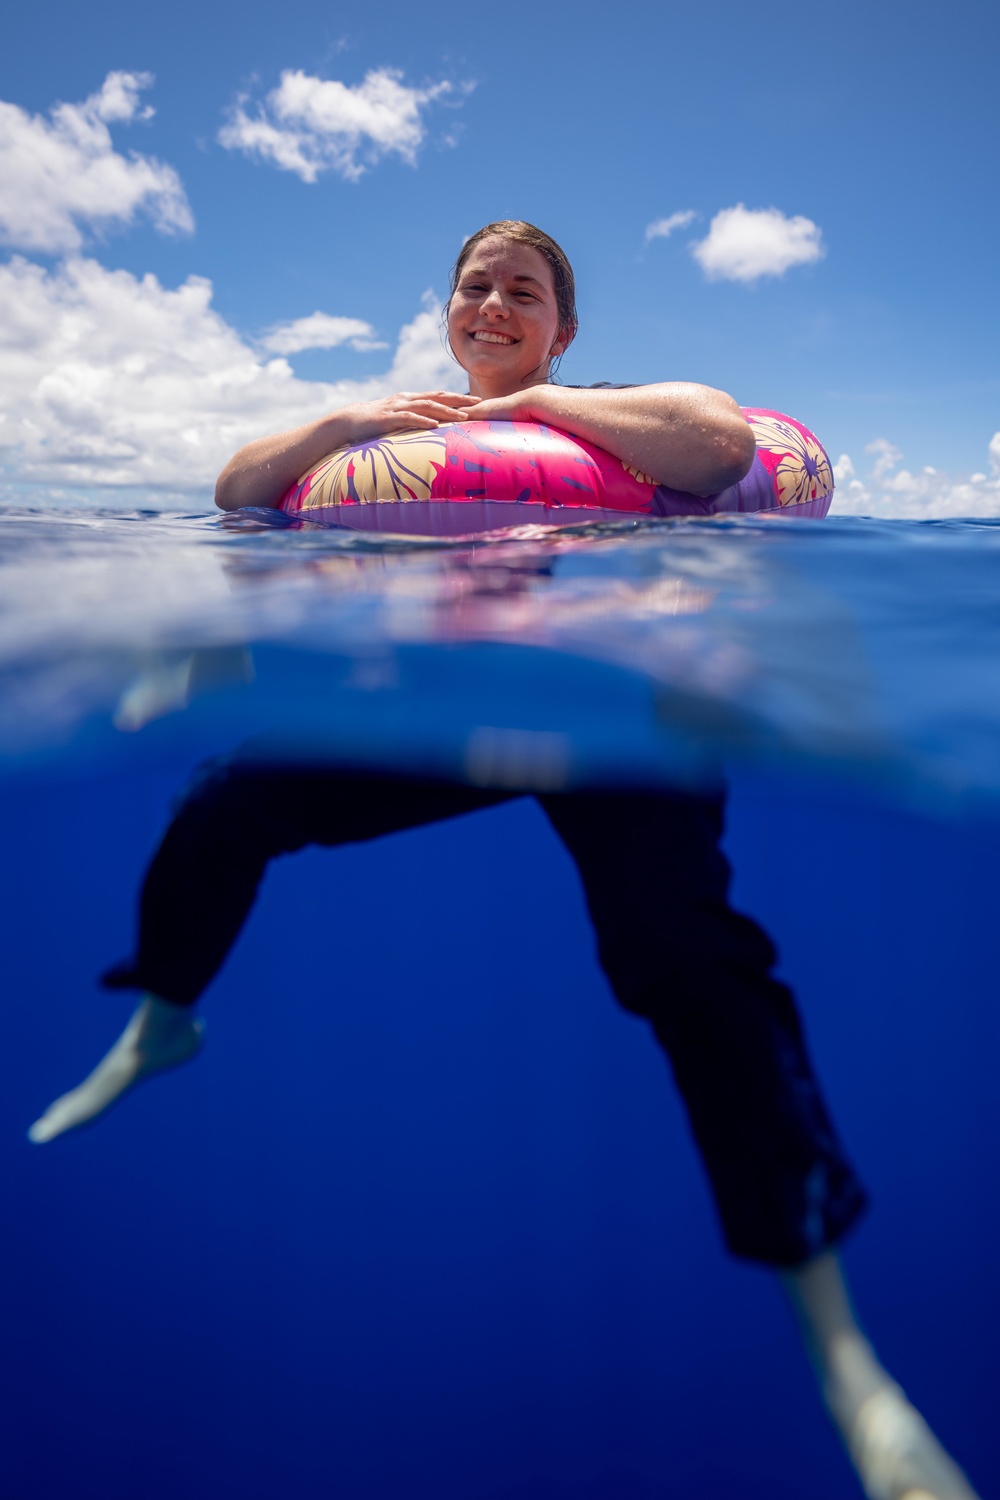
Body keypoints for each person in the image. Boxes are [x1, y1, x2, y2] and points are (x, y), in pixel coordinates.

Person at [29, 223, 980, 1500]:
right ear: (447, 310)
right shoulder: (390, 440)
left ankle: (848, 1364)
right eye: (475, 286)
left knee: (685, 966)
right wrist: (338, 425)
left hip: (625, 716)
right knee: (227, 796)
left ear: (560, 325)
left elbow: (724, 446)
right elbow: (236, 496)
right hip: (456, 713)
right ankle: (161, 1017)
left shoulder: (602, 411)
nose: (493, 303)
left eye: (522, 291)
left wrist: (546, 406)